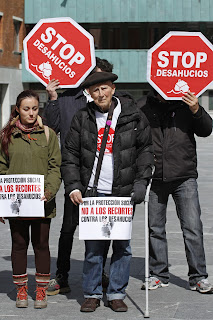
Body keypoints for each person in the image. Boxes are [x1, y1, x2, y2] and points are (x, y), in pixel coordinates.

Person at [61, 71, 153, 312]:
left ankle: (116, 293)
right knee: (94, 246)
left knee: (122, 246)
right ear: (89, 94)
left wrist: (142, 182)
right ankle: (92, 292)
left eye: (104, 88)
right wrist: (72, 185)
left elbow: (145, 151)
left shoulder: (133, 116)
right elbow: (69, 154)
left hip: (123, 193)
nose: (100, 94)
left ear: (113, 88)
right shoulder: (82, 117)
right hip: (93, 194)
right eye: (95, 90)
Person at [43, 57, 117, 295]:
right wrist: (53, 98)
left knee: (98, 230)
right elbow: (50, 126)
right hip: (75, 174)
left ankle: (99, 272)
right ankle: (61, 274)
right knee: (68, 228)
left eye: (101, 78)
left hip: (103, 177)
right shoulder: (67, 99)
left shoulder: (112, 102)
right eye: (92, 76)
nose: (97, 83)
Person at [139, 90, 213, 293]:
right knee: (155, 228)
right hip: (155, 177)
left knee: (192, 228)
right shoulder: (143, 106)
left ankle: (198, 276)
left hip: (184, 176)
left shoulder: (186, 102)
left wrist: (196, 109)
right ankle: (158, 274)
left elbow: (206, 130)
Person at [0, 90, 61, 308]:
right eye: (26, 109)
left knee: (41, 244)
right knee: (18, 244)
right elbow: (0, 169)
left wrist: (49, 191)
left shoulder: (48, 134)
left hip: (42, 202)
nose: (31, 113)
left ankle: (42, 291)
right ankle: (21, 291)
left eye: (35, 108)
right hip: (16, 203)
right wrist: (2, 201)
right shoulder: (6, 135)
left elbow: (55, 167)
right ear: (17, 109)